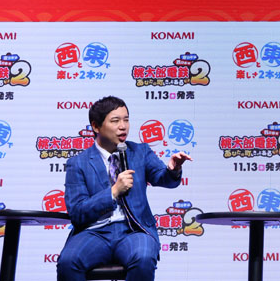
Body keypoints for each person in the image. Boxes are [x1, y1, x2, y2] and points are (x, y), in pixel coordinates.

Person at [57, 96, 191, 281]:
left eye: (126, 120)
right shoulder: (78, 163)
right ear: (96, 126)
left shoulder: (140, 152)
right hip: (94, 232)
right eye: (115, 121)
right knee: (68, 261)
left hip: (133, 230)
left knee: (143, 257)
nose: (123, 126)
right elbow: (77, 212)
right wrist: (113, 192)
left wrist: (173, 169)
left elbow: (165, 179)